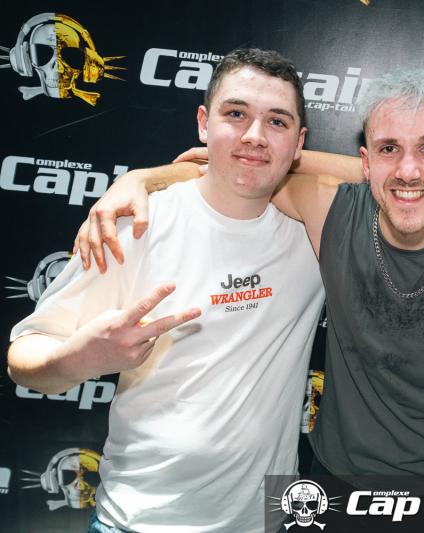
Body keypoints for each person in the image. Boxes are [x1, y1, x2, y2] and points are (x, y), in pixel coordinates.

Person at [73, 69, 424, 529]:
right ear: (366, 161)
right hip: (330, 480)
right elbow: (241, 169)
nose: (408, 170)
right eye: (388, 149)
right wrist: (141, 178)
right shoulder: (329, 211)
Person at [7, 48, 325, 533]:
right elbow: (22, 358)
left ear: (299, 142)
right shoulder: (135, 223)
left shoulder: (315, 234)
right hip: (135, 523)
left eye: (277, 122)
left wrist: (148, 173)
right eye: (235, 114)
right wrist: (81, 358)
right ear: (203, 123)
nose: (254, 135)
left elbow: (409, 176)